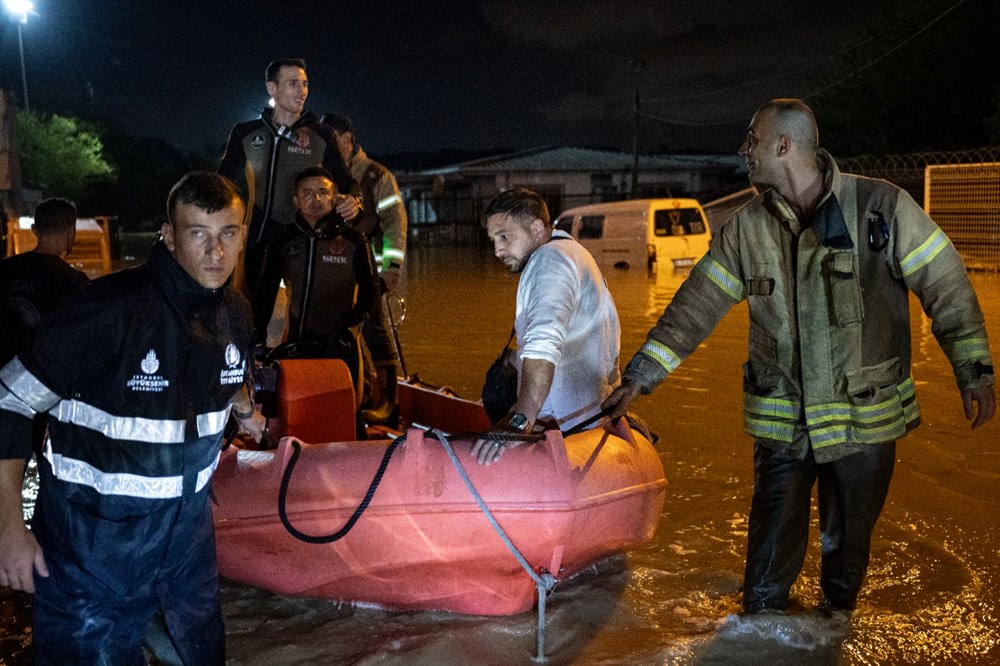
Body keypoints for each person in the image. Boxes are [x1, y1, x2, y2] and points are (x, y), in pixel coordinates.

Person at [603, 98, 996, 614]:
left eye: (752, 139)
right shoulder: (746, 229)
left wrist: (974, 370)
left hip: (864, 422)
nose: (743, 150)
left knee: (845, 573)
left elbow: (947, 287)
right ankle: (761, 641)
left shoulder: (883, 208)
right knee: (763, 582)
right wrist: (640, 377)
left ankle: (831, 635)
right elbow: (695, 306)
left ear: (783, 146)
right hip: (784, 424)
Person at [0, 171, 264, 663]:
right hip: (90, 551)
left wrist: (246, 409)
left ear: (243, 233)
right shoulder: (106, 310)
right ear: (168, 235)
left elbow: (224, 378)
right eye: (198, 233)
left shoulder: (236, 313)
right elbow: (9, 403)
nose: (216, 252)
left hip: (186, 550)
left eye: (228, 233)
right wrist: (9, 528)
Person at [472, 188, 621, 465]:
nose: (497, 250)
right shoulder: (572, 252)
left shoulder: (549, 261)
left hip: (567, 429)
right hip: (593, 418)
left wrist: (520, 420)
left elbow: (544, 340)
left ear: (537, 228)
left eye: (504, 236)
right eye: (493, 240)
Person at [218, 58, 360, 346]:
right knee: (250, 321)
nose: (302, 91)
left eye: (305, 84)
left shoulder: (321, 136)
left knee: (309, 319)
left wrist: (354, 202)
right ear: (272, 88)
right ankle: (249, 375)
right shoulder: (245, 134)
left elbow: (349, 185)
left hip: (306, 242)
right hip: (260, 239)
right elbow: (221, 184)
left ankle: (306, 374)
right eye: (293, 83)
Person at [321, 113, 407, 424]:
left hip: (370, 264)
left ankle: (388, 401)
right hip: (335, 265)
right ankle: (361, 392)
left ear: (347, 140)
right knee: (343, 330)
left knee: (375, 328)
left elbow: (396, 222)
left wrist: (391, 267)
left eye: (333, 142)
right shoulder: (325, 176)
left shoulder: (375, 175)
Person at [278, 166, 380, 407]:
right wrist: (258, 338)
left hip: (341, 343)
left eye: (323, 193)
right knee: (301, 408)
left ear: (335, 198)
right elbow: (265, 291)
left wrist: (349, 328)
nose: (316, 199)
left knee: (346, 410)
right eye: (307, 193)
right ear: (296, 200)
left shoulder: (354, 241)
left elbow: (370, 292)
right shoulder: (283, 241)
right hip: (298, 340)